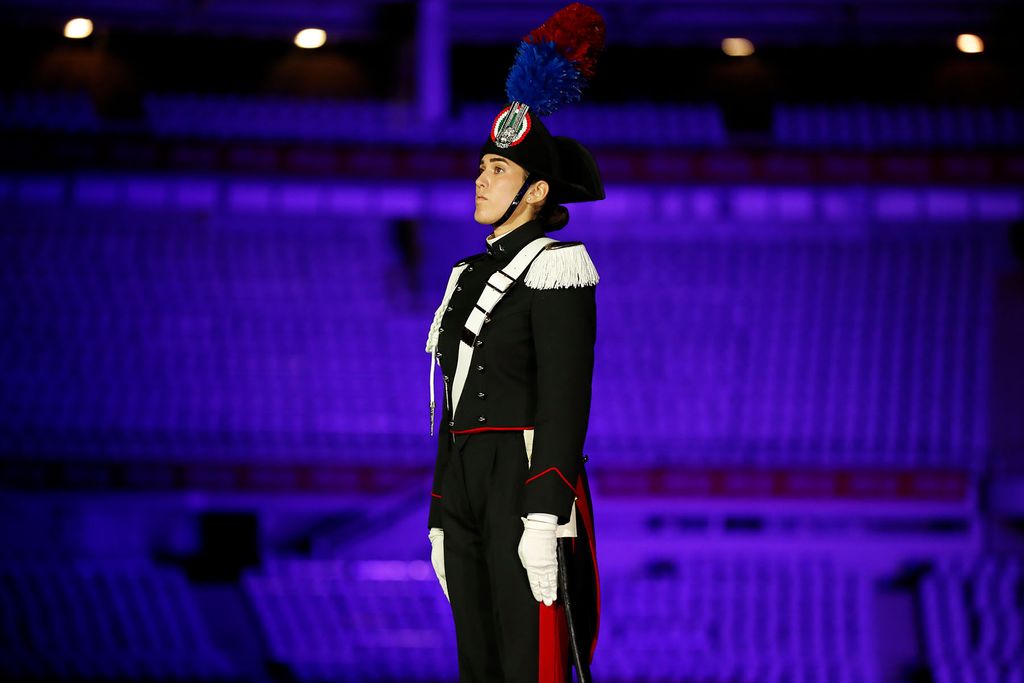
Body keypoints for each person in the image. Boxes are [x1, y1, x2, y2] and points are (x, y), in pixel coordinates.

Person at [423, 7, 606, 680]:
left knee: (532, 663)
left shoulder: (559, 266)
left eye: (497, 169)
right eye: (482, 165)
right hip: (465, 482)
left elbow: (564, 400)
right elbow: (449, 406)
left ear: (535, 191)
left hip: (524, 481)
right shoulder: (465, 275)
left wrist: (545, 509)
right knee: (477, 663)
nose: (480, 178)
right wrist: (441, 510)